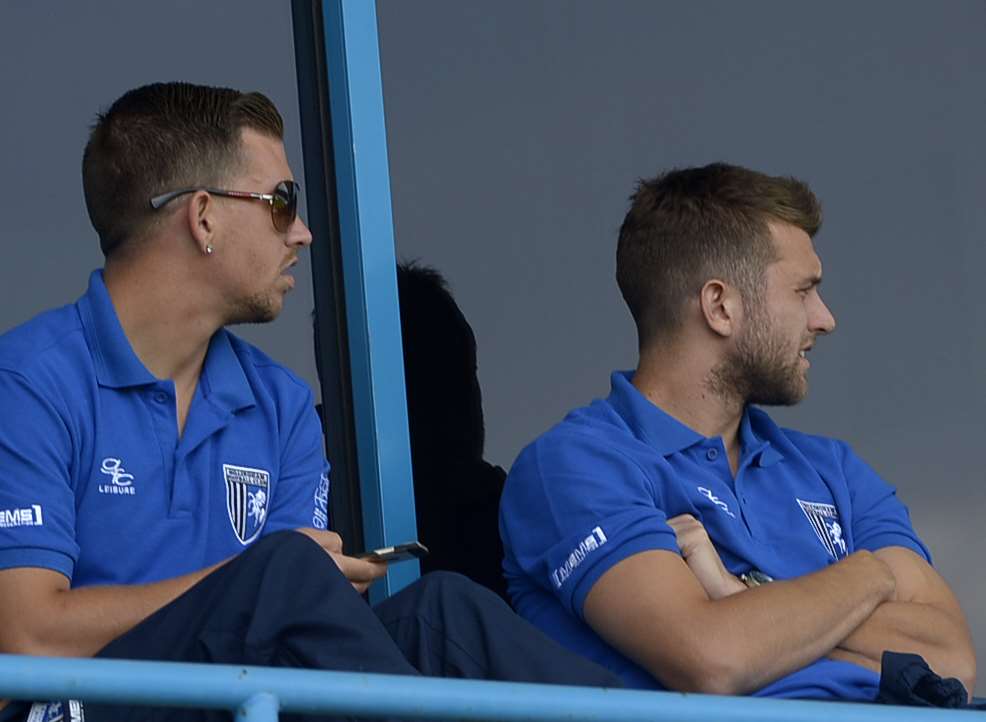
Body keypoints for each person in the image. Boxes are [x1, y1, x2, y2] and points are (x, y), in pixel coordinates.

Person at [0, 82, 619, 722]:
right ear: (204, 216)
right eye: (280, 202)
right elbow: (25, 636)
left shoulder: (280, 405)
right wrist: (256, 576)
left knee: (439, 614)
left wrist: (273, 580)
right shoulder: (27, 382)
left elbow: (289, 629)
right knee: (286, 570)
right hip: (79, 709)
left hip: (245, 701)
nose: (302, 233)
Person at [499, 163, 976, 703]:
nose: (824, 318)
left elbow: (952, 657)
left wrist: (736, 594)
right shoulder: (577, 464)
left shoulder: (834, 469)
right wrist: (870, 577)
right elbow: (713, 659)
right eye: (804, 291)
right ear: (720, 307)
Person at [396, 262, 508, 601]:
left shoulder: (505, 509)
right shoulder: (304, 495)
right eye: (450, 379)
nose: (472, 400)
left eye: (469, 374)